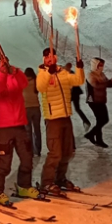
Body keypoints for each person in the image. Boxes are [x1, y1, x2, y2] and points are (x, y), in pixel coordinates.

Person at [0, 56, 41, 206]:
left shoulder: (14, 76)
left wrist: (15, 71)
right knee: (5, 163)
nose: (5, 65)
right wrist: (3, 72)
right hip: (3, 128)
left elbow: (24, 83)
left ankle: (24, 186)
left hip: (19, 125)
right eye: (2, 64)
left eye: (7, 62)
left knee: (27, 158)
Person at [36, 48, 85, 196]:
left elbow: (78, 80)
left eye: (51, 56)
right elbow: (40, 87)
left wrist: (79, 67)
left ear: (55, 57)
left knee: (67, 151)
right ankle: (47, 182)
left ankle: (60, 178)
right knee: (55, 152)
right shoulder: (42, 73)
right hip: (53, 118)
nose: (49, 59)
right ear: (44, 59)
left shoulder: (63, 72)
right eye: (46, 57)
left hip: (65, 117)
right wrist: (49, 72)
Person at [84, 57, 112, 148]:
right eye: (100, 65)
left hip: (101, 100)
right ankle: (94, 136)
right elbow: (97, 85)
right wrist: (109, 82)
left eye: (102, 65)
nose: (102, 67)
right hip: (93, 100)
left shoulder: (102, 74)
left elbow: (107, 84)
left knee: (103, 120)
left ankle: (95, 137)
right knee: (102, 120)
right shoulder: (90, 75)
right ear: (95, 65)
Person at [65, 62, 91, 132]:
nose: (67, 69)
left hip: (75, 94)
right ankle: (86, 122)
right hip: (72, 94)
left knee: (76, 109)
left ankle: (86, 122)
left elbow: (72, 85)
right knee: (68, 108)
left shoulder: (71, 74)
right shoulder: (66, 73)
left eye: (68, 67)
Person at [23, 67, 42, 156]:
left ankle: (30, 150)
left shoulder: (23, 83)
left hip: (26, 109)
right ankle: (38, 150)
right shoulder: (36, 82)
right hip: (36, 108)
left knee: (28, 131)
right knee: (37, 130)